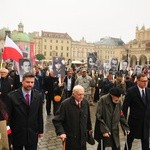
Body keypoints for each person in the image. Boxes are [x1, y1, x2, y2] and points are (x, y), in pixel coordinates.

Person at [7, 73, 44, 150]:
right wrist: (9, 134)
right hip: (17, 133)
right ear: (22, 81)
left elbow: (39, 114)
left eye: (32, 82)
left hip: (32, 133)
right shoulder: (12, 96)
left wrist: (40, 131)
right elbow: (8, 117)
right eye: (27, 82)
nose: (30, 84)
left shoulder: (38, 95)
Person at [52, 85, 93, 150]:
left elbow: (88, 118)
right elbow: (57, 120)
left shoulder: (85, 102)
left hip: (82, 138)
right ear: (73, 94)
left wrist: (89, 129)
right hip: (71, 139)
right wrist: (61, 132)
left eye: (83, 94)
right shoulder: (65, 104)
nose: (81, 96)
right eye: (79, 94)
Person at [122, 73, 150, 150]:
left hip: (146, 123)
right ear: (138, 81)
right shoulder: (131, 91)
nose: (145, 83)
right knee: (129, 141)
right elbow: (124, 108)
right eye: (143, 81)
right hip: (134, 123)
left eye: (146, 81)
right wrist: (124, 124)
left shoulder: (148, 91)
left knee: (146, 142)